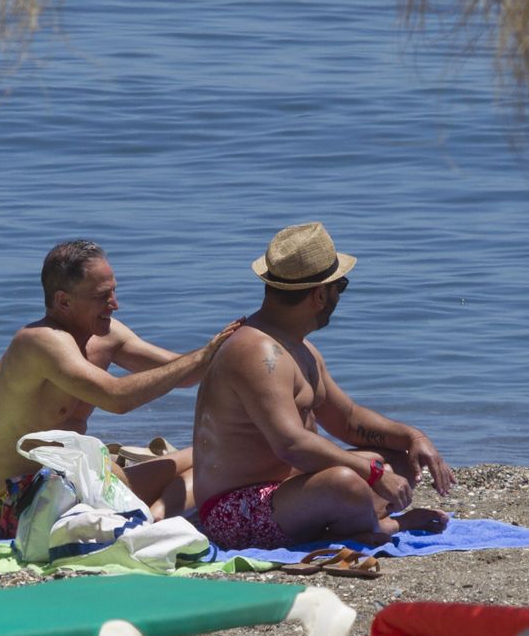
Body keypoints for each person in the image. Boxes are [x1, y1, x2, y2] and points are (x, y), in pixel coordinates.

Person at [190, 222, 453, 548]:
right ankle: (384, 526)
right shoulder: (259, 352)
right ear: (319, 295)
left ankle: (354, 521)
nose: (339, 296)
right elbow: (291, 444)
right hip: (235, 511)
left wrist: (413, 438)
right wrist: (372, 474)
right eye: (340, 286)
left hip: (287, 493)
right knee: (346, 481)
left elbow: (347, 420)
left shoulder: (299, 348)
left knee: (399, 460)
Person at [0, 240, 241, 539]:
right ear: (63, 302)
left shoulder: (106, 335)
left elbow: (182, 374)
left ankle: (155, 516)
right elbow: (116, 398)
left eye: (114, 291)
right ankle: (151, 518)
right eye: (102, 296)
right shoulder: (40, 341)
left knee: (212, 454)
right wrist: (200, 357)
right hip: (18, 504)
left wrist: (235, 347)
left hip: (80, 486)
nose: (115, 304)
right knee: (210, 459)